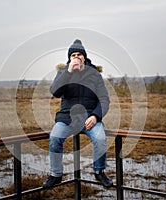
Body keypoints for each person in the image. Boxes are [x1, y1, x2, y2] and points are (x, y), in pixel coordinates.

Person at [42, 39, 113, 189]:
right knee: (54, 138)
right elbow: (55, 92)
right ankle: (56, 174)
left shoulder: (94, 75)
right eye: (73, 55)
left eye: (79, 55)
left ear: (84, 57)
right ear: (69, 58)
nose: (76, 57)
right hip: (67, 118)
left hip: (89, 119)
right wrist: (67, 73)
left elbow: (104, 99)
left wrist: (95, 116)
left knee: (100, 138)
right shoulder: (63, 73)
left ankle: (99, 171)